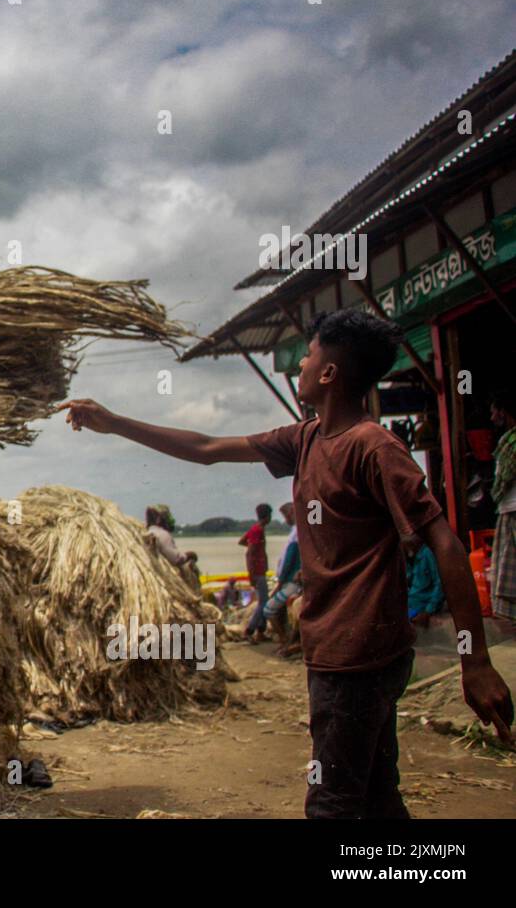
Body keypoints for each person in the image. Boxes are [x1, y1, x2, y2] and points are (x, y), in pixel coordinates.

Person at [58, 308, 513, 819]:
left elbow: (446, 544)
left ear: (329, 373)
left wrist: (475, 661)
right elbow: (207, 448)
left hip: (356, 656)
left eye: (308, 355)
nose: (300, 365)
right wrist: (114, 422)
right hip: (341, 652)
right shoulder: (306, 439)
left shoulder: (374, 447)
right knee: (375, 797)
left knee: (332, 804)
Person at [263, 502, 302, 652]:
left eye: (286, 516)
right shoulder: (295, 531)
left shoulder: (297, 533)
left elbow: (289, 560)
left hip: (291, 582)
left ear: (292, 513)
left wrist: (279, 583)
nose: (285, 520)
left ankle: (285, 639)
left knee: (268, 609)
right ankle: (286, 639)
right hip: (288, 580)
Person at [491, 389, 516, 621]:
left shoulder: (510, 442)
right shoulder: (508, 440)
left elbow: (504, 478)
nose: (492, 418)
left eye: (494, 412)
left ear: (504, 412)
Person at [145, 504, 199, 592]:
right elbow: (175, 559)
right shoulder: (162, 534)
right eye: (167, 516)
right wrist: (189, 555)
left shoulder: (147, 533)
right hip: (164, 582)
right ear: (158, 519)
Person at [240, 503, 272, 643]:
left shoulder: (256, 529)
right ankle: (249, 631)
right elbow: (250, 553)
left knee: (263, 601)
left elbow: (242, 541)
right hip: (257, 572)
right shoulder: (257, 530)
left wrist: (257, 549)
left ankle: (261, 632)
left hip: (260, 571)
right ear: (268, 516)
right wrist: (251, 573)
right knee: (264, 603)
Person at [405, 541, 444, 628]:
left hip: (421, 607)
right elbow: (410, 579)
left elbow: (439, 583)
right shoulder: (412, 554)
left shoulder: (427, 553)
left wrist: (428, 611)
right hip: (411, 604)